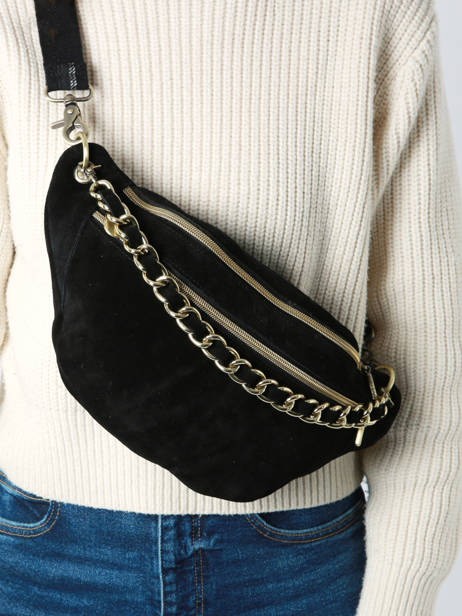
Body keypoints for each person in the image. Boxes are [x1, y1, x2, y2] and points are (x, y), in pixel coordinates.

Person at [0, 1, 461, 614]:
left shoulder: (376, 12)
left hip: (297, 558)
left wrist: (402, 595)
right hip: (44, 551)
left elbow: (430, 344)